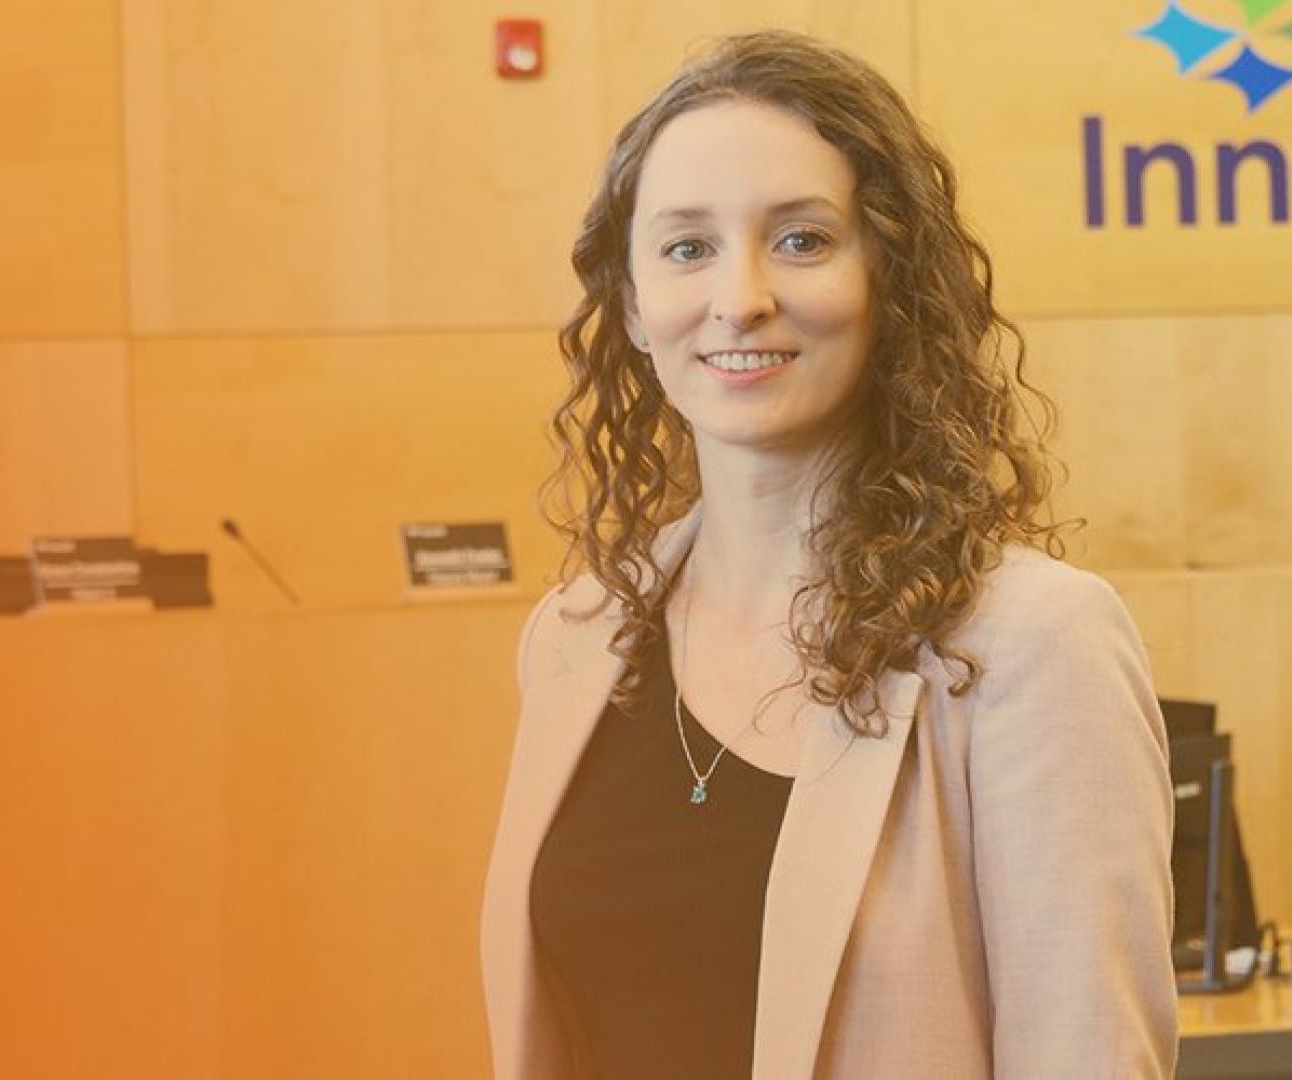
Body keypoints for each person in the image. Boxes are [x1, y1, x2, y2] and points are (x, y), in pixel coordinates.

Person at [479, 30, 1177, 1080]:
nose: (740, 297)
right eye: (686, 247)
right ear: (629, 304)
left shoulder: (1033, 644)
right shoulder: (575, 639)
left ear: (889, 278)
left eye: (801, 241)